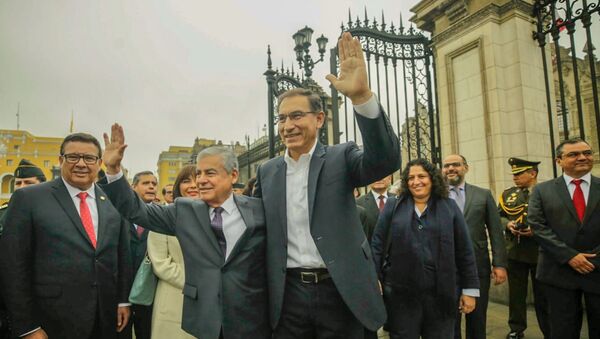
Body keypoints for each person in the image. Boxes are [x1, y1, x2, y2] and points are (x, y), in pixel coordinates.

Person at [253, 32, 400, 338]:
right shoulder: (267, 172)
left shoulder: (340, 157)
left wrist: (361, 98)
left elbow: (385, 161)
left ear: (319, 119)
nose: (287, 125)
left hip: (341, 293)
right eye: (281, 118)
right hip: (288, 296)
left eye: (296, 116)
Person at [101, 131, 270, 339]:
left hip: (250, 320)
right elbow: (137, 211)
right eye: (199, 174)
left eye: (210, 173)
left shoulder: (259, 210)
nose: (201, 180)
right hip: (203, 320)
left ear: (233, 175)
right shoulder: (184, 211)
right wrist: (113, 171)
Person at [0, 132, 132, 339]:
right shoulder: (29, 198)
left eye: (89, 158)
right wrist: (27, 327)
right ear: (61, 160)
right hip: (51, 321)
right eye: (73, 157)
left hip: (106, 318)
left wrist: (123, 300)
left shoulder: (113, 200)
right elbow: (13, 267)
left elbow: (122, 254)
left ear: (99, 163)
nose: (81, 164)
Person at [371, 158, 479, 339]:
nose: (416, 181)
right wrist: (374, 278)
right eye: (411, 177)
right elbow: (377, 244)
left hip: (441, 297)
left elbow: (465, 251)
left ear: (432, 178)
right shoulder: (393, 206)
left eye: (421, 176)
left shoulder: (449, 207)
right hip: (401, 298)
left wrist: (469, 290)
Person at [528, 138, 600, 338]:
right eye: (573, 154)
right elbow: (537, 225)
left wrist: (594, 256)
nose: (582, 157)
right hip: (558, 271)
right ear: (558, 161)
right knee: (563, 330)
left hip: (597, 267)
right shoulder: (543, 190)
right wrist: (569, 256)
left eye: (587, 152)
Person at [441, 154, 507, 339]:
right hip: (445, 268)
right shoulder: (436, 196)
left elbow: (495, 231)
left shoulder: (483, 195)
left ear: (466, 168)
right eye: (446, 166)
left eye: (456, 165)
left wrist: (500, 264)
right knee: (449, 319)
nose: (451, 169)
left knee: (477, 318)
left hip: (478, 267)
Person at [498, 157, 550, 339]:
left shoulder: (547, 192)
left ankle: (548, 329)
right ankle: (516, 329)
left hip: (540, 252)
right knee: (516, 295)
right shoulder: (508, 194)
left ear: (533, 173)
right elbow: (499, 216)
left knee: (543, 295)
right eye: (514, 174)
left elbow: (556, 220)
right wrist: (508, 225)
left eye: (519, 174)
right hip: (515, 252)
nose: (515, 177)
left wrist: (535, 231)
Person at [147, 165, 197, 339]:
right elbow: (161, 263)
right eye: (186, 181)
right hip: (175, 297)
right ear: (178, 187)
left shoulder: (217, 216)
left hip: (211, 301)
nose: (193, 185)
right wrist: (196, 284)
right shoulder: (165, 215)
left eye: (197, 179)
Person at [0, 159, 48, 339]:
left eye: (28, 183)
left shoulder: (52, 214)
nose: (21, 187)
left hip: (44, 297)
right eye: (18, 183)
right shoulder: (2, 213)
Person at [118, 171, 157, 339]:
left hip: (150, 294)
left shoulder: (161, 217)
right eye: (146, 183)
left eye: (154, 184)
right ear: (133, 187)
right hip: (121, 292)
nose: (151, 187)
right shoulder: (118, 216)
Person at [356, 175, 394, 243]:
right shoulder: (358, 204)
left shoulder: (399, 200)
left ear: (390, 178)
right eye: (375, 173)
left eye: (383, 174)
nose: (379, 178)